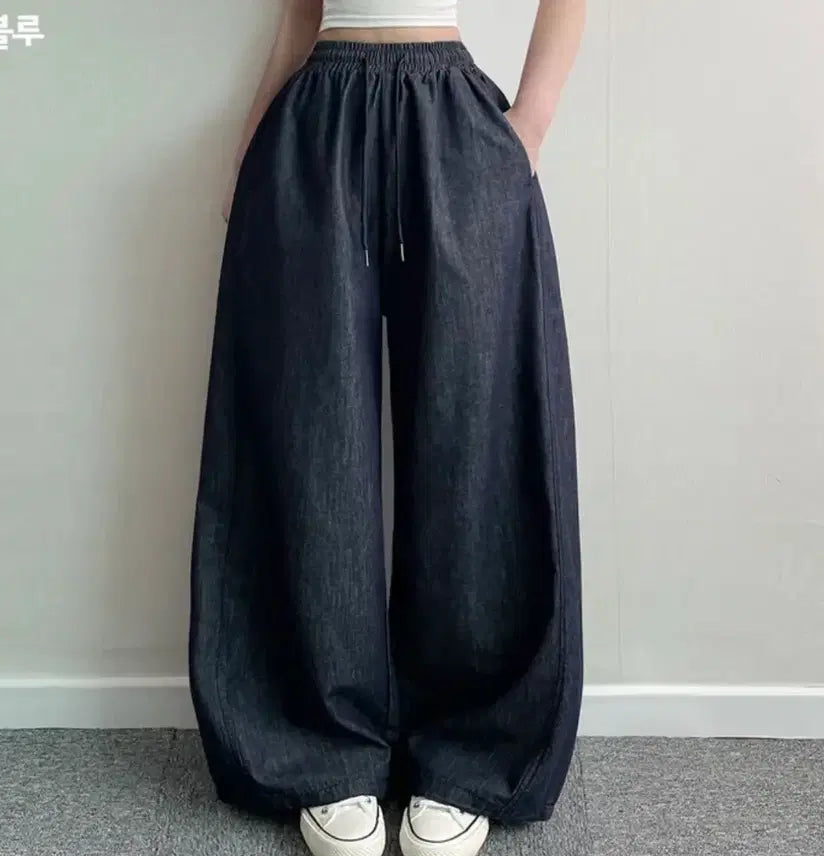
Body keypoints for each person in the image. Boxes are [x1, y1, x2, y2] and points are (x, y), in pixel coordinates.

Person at [188, 1, 586, 855]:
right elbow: (298, 21)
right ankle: (319, 746)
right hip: (316, 119)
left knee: (474, 440)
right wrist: (249, 150)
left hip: (456, 123)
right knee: (308, 437)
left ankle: (469, 751)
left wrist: (529, 128)